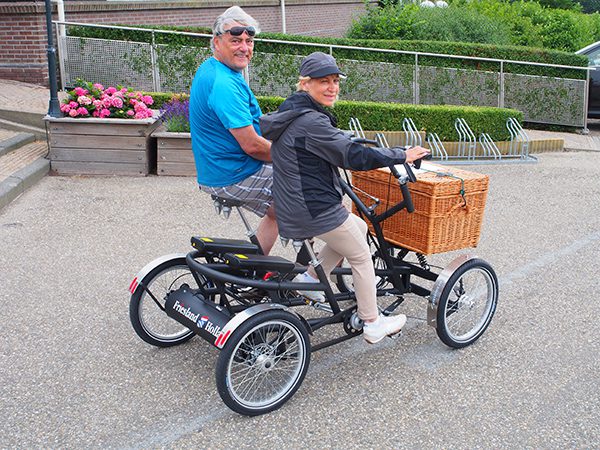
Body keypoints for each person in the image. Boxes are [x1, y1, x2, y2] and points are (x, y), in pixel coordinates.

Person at [260, 52, 431, 344]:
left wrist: (341, 138)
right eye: (323, 82)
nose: (332, 88)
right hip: (313, 207)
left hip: (294, 204)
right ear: (305, 84)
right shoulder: (311, 121)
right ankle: (373, 321)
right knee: (361, 256)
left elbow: (328, 143)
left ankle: (311, 279)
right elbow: (354, 156)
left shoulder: (293, 112)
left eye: (335, 81)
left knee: (359, 228)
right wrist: (402, 155)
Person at [189, 6, 277, 255]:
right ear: (217, 42)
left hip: (223, 168)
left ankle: (255, 273)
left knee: (286, 207)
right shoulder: (224, 83)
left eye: (249, 41)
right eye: (235, 40)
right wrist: (297, 154)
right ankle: (313, 276)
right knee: (316, 197)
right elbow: (253, 146)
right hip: (234, 173)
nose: (244, 47)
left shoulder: (214, 68)